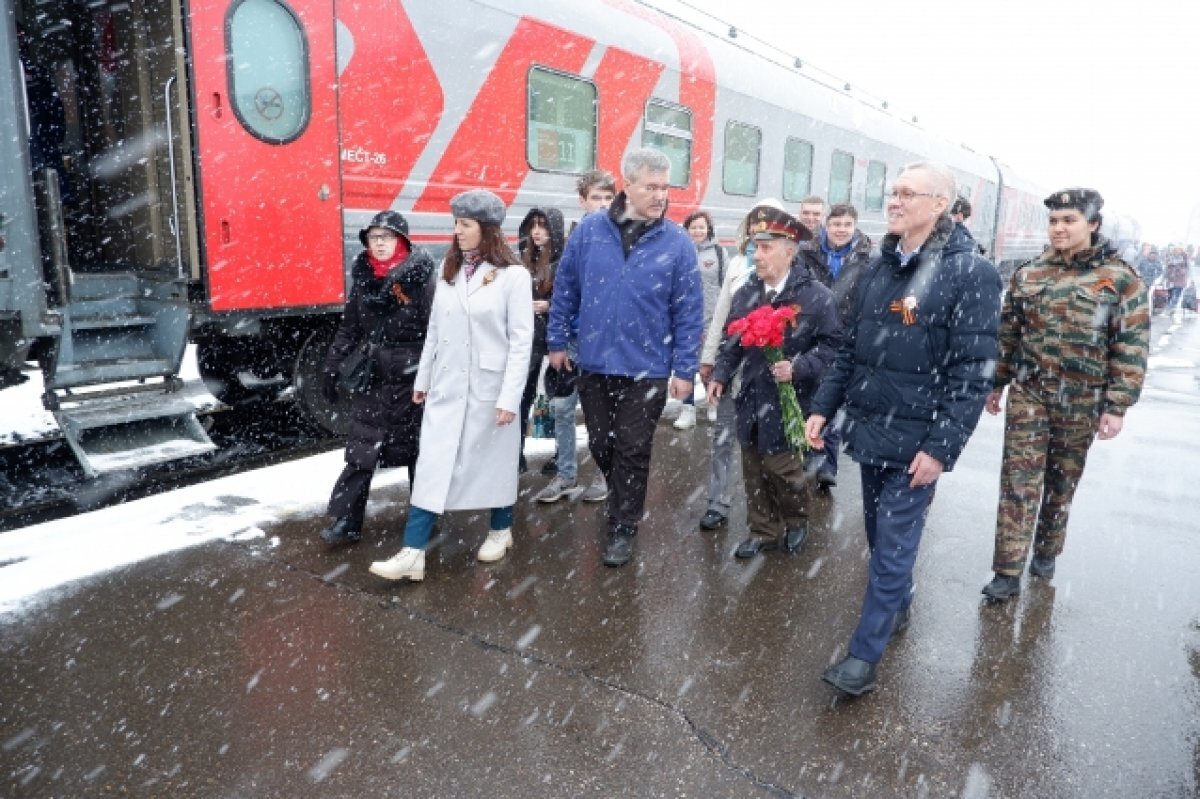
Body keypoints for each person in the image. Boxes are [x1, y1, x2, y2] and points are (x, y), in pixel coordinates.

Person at [806, 162, 1002, 696]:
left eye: (907, 193)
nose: (894, 201)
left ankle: (863, 657)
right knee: (879, 537)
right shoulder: (879, 268)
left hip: (918, 441)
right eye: (893, 192)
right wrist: (823, 406)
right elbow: (851, 349)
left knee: (893, 544)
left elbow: (972, 373)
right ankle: (898, 602)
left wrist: (940, 448)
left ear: (939, 204)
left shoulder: (970, 274)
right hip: (872, 430)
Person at [981, 188, 1149, 601]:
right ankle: (1007, 571)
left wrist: (1117, 406)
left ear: (1093, 224)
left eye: (1069, 221)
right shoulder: (1030, 273)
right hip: (1031, 393)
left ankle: (1046, 549)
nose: (1059, 228)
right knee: (1018, 481)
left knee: (1061, 483)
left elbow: (1131, 345)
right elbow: (1008, 334)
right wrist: (996, 383)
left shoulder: (1120, 279)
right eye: (1054, 221)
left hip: (1082, 400)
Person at [547, 147, 704, 567]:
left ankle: (623, 525)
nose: (660, 195)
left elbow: (689, 310)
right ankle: (622, 497)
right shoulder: (590, 231)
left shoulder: (677, 242)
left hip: (647, 366)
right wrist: (557, 339)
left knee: (633, 447)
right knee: (602, 443)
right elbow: (566, 287)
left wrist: (684, 369)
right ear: (627, 185)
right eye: (651, 186)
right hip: (595, 361)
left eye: (665, 187)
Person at [369, 190, 534, 582]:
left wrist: (510, 397)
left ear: (487, 229)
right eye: (456, 223)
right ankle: (412, 553)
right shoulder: (450, 269)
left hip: (490, 388)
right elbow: (435, 330)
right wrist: (424, 378)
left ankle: (501, 529)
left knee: (494, 463)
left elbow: (521, 341)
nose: (457, 231)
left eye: (465, 224)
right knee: (432, 466)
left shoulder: (514, 277)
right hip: (447, 386)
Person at [708, 207, 841, 559]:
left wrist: (799, 367)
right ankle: (763, 530)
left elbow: (832, 347)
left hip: (791, 399)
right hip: (752, 396)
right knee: (753, 468)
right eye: (755, 246)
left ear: (789, 251)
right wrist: (721, 374)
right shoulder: (747, 292)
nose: (757, 255)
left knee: (783, 469)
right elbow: (732, 342)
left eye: (766, 247)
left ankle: (796, 521)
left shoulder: (815, 296)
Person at [319, 211, 436, 546]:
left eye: (387, 237)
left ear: (402, 241)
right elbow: (349, 328)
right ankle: (348, 520)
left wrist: (431, 375)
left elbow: (437, 331)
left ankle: (424, 518)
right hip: (374, 374)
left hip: (413, 376)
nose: (380, 243)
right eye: (374, 237)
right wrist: (332, 365)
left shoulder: (423, 280)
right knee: (362, 447)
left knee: (418, 450)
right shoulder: (364, 279)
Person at [696, 200, 785, 530]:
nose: (760, 229)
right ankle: (717, 501)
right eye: (755, 222)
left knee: (766, 446)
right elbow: (722, 314)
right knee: (723, 437)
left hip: (770, 374)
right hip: (735, 368)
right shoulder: (736, 264)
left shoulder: (790, 267)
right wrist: (709, 358)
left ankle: (768, 510)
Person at [534, 170, 617, 503]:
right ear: (582, 201)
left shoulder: (622, 237)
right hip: (573, 340)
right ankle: (566, 474)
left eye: (608, 198)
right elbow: (564, 293)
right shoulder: (576, 239)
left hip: (604, 342)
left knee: (602, 415)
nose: (603, 204)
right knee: (563, 409)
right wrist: (557, 340)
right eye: (596, 198)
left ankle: (604, 473)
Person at [798, 202, 873, 489]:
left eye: (847, 225)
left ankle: (827, 463)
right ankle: (810, 453)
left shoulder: (866, 258)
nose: (841, 230)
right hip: (810, 333)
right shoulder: (808, 252)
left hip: (845, 335)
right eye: (836, 224)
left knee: (834, 398)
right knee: (808, 395)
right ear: (826, 225)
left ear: (855, 226)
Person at [515, 206, 566, 475]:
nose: (536, 231)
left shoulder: (564, 260)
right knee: (522, 396)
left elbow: (575, 298)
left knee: (558, 399)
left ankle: (561, 454)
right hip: (529, 338)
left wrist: (550, 305)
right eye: (532, 225)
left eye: (543, 225)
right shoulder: (523, 259)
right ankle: (516, 454)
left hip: (555, 337)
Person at [675, 210, 725, 430]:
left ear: (708, 229)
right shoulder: (679, 251)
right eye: (693, 227)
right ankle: (687, 409)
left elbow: (726, 286)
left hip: (711, 319)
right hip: (685, 318)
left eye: (701, 227)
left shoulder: (719, 252)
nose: (697, 231)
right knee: (685, 365)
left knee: (709, 363)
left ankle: (712, 403)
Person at [1164, 245, 1189, 312]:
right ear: (1173, 251)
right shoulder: (1170, 259)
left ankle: (1170, 310)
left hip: (1180, 280)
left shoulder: (1184, 259)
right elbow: (1166, 269)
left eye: (1178, 250)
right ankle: (1170, 310)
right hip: (1171, 281)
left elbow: (1188, 269)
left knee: (1175, 297)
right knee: (1170, 296)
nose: (1177, 252)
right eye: (1175, 250)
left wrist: (1189, 279)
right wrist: (1162, 279)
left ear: (1181, 251)